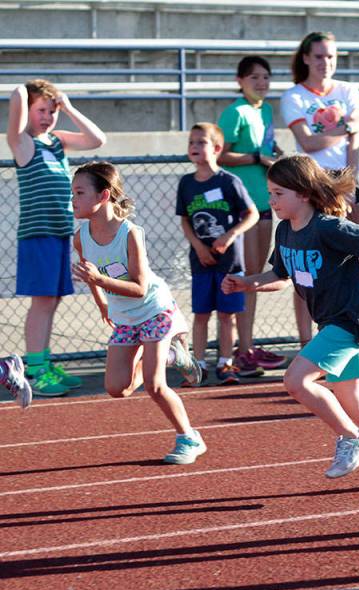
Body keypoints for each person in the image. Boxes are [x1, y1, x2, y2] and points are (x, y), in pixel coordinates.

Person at [222, 156, 359, 491]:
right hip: (330, 323)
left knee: (295, 380)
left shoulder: (328, 227)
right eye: (270, 193)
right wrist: (248, 282)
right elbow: (280, 275)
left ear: (303, 194)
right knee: (353, 403)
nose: (271, 201)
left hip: (348, 323)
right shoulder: (285, 230)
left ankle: (352, 437)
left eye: (277, 193)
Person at [71, 162, 205, 464]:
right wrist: (102, 303)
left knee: (155, 385)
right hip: (125, 316)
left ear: (103, 196)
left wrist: (100, 281)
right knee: (117, 388)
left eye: (79, 192)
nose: (73, 200)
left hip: (155, 310)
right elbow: (89, 273)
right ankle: (173, 355)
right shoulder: (81, 236)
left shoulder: (130, 233)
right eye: (72, 193)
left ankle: (189, 438)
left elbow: (140, 288)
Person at [7, 80, 106, 397]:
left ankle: (44, 362)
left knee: (55, 299)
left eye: (52, 111)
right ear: (29, 112)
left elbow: (96, 140)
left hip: (60, 232)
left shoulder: (57, 142)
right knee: (43, 301)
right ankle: (34, 371)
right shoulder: (22, 143)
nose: (48, 116)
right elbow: (17, 95)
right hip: (38, 235)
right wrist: (30, 90)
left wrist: (69, 106)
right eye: (41, 110)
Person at [281, 31, 359, 347]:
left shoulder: (348, 90)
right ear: (306, 57)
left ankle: (352, 329)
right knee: (305, 267)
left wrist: (349, 182)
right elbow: (308, 141)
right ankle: (308, 341)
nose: (325, 63)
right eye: (319, 56)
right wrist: (345, 128)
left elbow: (356, 143)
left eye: (331, 56)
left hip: (342, 181)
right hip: (309, 182)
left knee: (353, 256)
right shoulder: (294, 96)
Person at [217, 55, 288, 375]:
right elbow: (220, 153)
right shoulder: (235, 112)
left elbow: (268, 147)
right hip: (242, 207)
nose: (261, 83)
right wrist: (257, 157)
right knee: (245, 277)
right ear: (240, 81)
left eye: (265, 78)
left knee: (257, 275)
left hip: (265, 203)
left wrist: (276, 156)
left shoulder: (267, 110)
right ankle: (240, 349)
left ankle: (247, 344)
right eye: (254, 78)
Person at [176, 122, 259, 385]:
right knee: (201, 315)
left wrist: (229, 235)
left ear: (217, 148)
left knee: (226, 316)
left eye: (201, 142)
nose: (195, 147)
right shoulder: (186, 183)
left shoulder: (229, 181)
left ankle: (226, 363)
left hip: (229, 262)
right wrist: (199, 246)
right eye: (192, 142)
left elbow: (252, 214)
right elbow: (186, 220)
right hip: (202, 262)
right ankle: (197, 365)